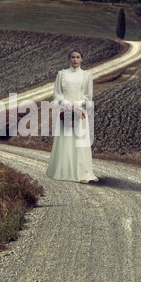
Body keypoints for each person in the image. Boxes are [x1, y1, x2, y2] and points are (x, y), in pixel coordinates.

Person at [46, 49, 99, 183]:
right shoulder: (61, 74)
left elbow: (88, 96)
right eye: (73, 57)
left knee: (80, 142)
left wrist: (77, 103)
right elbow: (57, 93)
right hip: (65, 111)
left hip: (79, 112)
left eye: (78, 57)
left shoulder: (87, 75)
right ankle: (64, 171)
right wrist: (65, 103)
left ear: (82, 59)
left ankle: (82, 173)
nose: (75, 60)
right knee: (66, 141)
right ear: (69, 59)